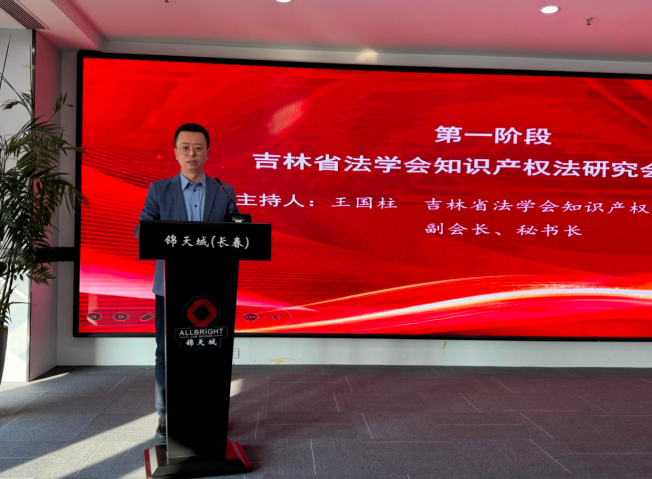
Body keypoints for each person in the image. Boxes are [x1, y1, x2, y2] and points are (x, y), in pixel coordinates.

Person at [135, 123, 238, 444]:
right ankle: (166, 414)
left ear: (208, 152)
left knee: (209, 349)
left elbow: (237, 234)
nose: (192, 153)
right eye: (185, 147)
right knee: (166, 352)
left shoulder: (223, 190)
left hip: (213, 287)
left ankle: (209, 410)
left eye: (198, 148)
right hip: (170, 286)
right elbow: (142, 232)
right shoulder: (159, 190)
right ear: (176, 153)